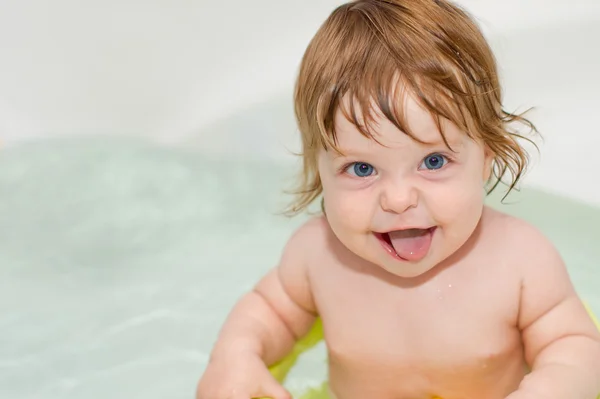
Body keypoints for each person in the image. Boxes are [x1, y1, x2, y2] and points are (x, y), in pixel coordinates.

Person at [196, 0, 600, 398]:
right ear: (319, 171)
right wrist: (235, 356)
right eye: (362, 169)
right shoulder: (315, 256)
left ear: (485, 159)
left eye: (434, 160)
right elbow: (269, 313)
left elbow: (574, 346)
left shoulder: (520, 260)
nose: (399, 199)